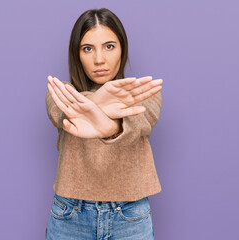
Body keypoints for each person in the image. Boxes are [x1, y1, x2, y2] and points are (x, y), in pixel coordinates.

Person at [45, 8, 163, 240]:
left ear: (122, 48)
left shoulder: (145, 95)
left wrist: (110, 127)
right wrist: (99, 102)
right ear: (76, 54)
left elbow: (137, 125)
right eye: (87, 49)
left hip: (130, 216)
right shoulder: (61, 93)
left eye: (109, 46)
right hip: (71, 215)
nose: (99, 59)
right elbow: (61, 111)